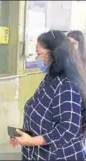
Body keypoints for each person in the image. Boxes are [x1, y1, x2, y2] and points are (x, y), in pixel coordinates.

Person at [10, 30, 86, 160]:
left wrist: (32, 141)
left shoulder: (67, 86)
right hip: (39, 153)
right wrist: (24, 134)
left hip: (59, 155)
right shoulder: (50, 79)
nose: (36, 58)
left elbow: (67, 128)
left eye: (39, 54)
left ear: (54, 55)